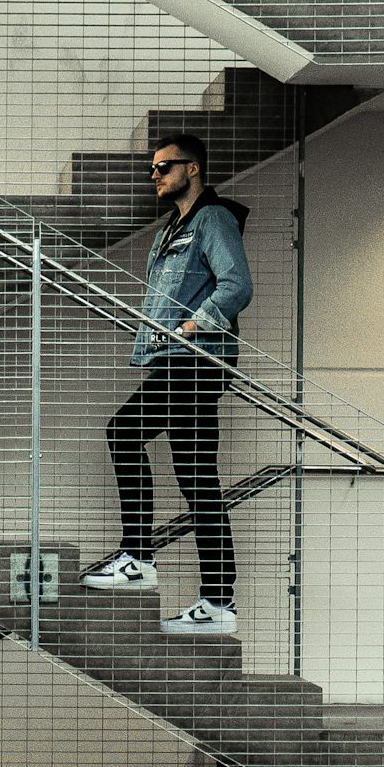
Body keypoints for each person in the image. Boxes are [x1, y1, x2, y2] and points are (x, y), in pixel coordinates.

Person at [81, 132, 253, 637]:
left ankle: (138, 556)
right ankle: (218, 604)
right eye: (152, 169)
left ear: (193, 169)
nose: (154, 176)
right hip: (173, 361)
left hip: (194, 362)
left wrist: (191, 327)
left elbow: (236, 284)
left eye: (164, 167)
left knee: (124, 433)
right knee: (199, 482)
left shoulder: (212, 220)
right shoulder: (171, 228)